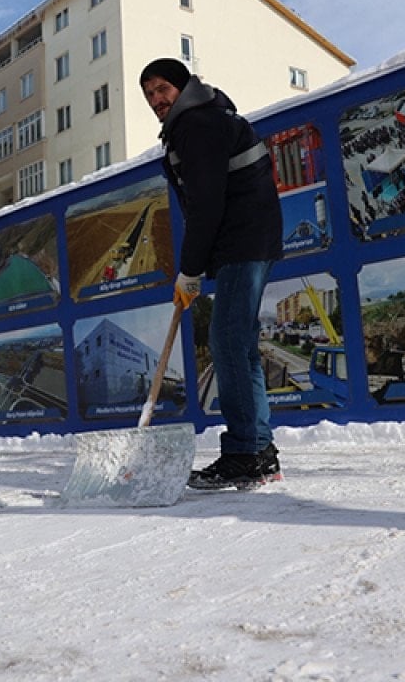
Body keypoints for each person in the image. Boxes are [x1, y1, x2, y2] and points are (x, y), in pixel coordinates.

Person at [139, 57, 283, 490]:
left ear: (183, 88)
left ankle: (244, 454)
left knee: (227, 344)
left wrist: (190, 270)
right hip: (246, 240)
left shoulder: (198, 124)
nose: (156, 100)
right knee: (239, 348)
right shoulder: (202, 120)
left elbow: (206, 206)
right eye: (149, 94)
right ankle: (258, 449)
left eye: (163, 89)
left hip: (243, 239)